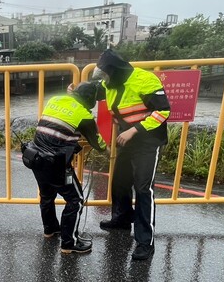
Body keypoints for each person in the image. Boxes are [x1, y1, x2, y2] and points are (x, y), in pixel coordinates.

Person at [93, 49, 171, 260]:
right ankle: (122, 219)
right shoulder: (111, 83)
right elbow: (96, 89)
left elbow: (163, 111)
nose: (104, 80)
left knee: (143, 189)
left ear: (115, 72)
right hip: (126, 141)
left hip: (147, 141)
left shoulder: (144, 80)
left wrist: (133, 130)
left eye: (105, 75)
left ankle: (146, 241)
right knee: (120, 182)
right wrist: (76, 91)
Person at [22, 82, 107, 254]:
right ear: (90, 100)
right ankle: (69, 243)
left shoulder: (55, 99)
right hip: (56, 165)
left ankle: (50, 229)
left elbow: (61, 121)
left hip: (35, 158)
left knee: (46, 196)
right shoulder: (83, 114)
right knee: (76, 200)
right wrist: (111, 151)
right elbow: (98, 144)